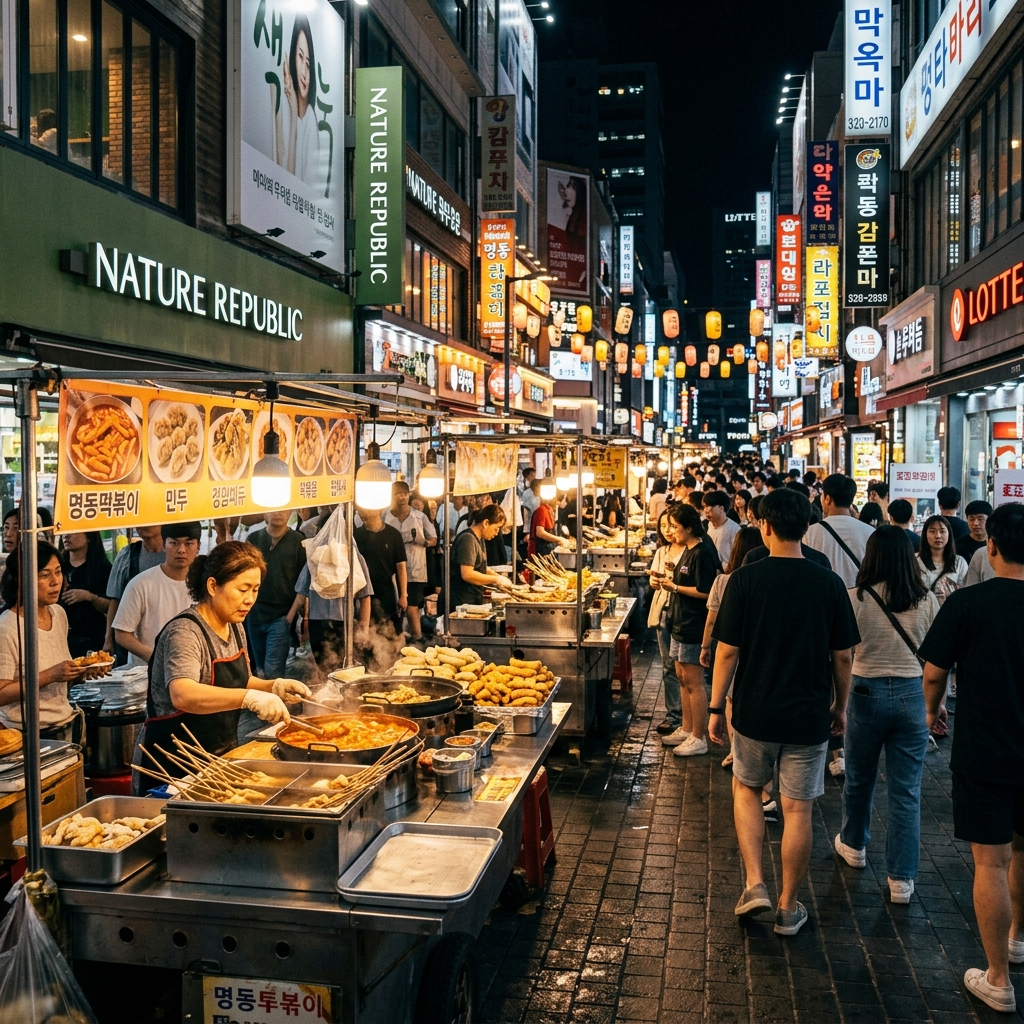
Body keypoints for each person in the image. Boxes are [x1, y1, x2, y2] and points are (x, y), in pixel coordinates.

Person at [709, 488, 859, 936]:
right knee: (798, 810)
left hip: (755, 711)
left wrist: (717, 707)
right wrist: (840, 707)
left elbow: (726, 652)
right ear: (806, 526)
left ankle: (754, 883)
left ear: (765, 526)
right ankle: (789, 907)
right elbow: (844, 657)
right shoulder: (827, 582)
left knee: (747, 791)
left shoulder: (746, 579)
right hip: (809, 715)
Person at [919, 503, 1024, 1014]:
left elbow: (935, 671)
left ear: (992, 547)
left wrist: (932, 713)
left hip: (984, 748)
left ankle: (999, 979)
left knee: (991, 859)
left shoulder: (969, 603)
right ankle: (1018, 938)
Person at [136, 542, 310, 792]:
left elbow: (240, 680)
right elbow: (182, 694)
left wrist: (273, 687)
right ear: (212, 586)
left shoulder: (234, 624)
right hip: (173, 771)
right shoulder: (185, 632)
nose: (249, 599)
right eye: (242, 589)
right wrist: (249, 698)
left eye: (255, 590)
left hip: (217, 760)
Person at [834, 526, 939, 904]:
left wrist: (838, 703)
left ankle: (855, 845)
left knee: (859, 779)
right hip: (913, 694)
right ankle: (901, 880)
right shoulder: (925, 599)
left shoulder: (855, 598)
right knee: (906, 791)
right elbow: (936, 658)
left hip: (865, 693)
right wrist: (936, 703)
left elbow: (844, 654)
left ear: (871, 555)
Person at [0, 541, 84, 738]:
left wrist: (80, 672)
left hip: (65, 725)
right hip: (25, 735)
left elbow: (60, 677)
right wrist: (50, 675)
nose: (56, 582)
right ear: (22, 579)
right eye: (45, 575)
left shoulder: (58, 613)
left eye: (58, 572)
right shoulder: (7, 627)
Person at [700, 527, 767, 772]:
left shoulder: (724, 580)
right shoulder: (764, 581)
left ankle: (735, 751)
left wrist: (706, 646)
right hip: (757, 652)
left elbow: (711, 619)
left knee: (730, 699)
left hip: (729, 650)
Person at [663, 504, 720, 757]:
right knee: (681, 676)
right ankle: (686, 728)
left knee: (694, 681)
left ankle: (699, 736)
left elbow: (707, 591)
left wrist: (674, 587)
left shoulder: (702, 552)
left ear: (688, 527)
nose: (671, 531)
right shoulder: (687, 550)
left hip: (694, 624)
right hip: (679, 622)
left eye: (675, 526)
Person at [112, 523, 202, 667]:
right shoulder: (140, 584)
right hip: (146, 676)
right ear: (164, 545)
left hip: (193, 669)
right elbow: (121, 633)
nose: (181, 550)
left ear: (198, 547)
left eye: (189, 543)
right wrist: (155, 658)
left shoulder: (204, 585)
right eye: (174, 543)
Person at [243, 511, 307, 681]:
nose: (278, 513)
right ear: (265, 513)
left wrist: (290, 616)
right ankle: (261, 706)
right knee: (258, 669)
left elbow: (304, 582)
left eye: (284, 509)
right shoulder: (254, 539)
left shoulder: (298, 540)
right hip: (254, 614)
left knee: (273, 670)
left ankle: (275, 705)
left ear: (291, 513)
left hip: (281, 617)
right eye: (273, 508)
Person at [296, 550, 372, 673]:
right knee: (324, 667)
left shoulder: (354, 557)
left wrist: (364, 629)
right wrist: (300, 622)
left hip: (344, 623)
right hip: (317, 621)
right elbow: (303, 592)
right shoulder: (315, 556)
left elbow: (365, 595)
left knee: (346, 669)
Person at [384, 482, 437, 642]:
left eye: (405, 493)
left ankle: (417, 640)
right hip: (391, 571)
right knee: (393, 608)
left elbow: (434, 539)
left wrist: (425, 542)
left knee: (412, 607)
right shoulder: (385, 516)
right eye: (398, 494)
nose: (402, 497)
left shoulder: (420, 516)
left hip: (415, 570)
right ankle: (395, 642)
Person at [105, 525, 166, 663]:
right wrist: (108, 639)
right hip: (132, 644)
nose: (144, 525)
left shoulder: (175, 555)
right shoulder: (128, 555)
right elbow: (115, 601)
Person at [648, 511, 685, 739]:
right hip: (663, 612)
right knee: (668, 666)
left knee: (685, 668)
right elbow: (654, 581)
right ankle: (674, 714)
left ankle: (688, 716)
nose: (668, 531)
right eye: (663, 526)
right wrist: (654, 580)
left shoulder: (692, 551)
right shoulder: (662, 552)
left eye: (672, 525)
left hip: (683, 614)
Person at [804, 475, 876, 588]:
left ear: (827, 499)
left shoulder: (810, 533)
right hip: (859, 600)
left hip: (825, 599)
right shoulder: (871, 532)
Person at [273, 14, 320, 186]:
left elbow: (301, 188)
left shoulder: (310, 120)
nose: (304, 72)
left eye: (308, 63)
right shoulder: (283, 104)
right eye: (300, 57)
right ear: (292, 56)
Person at [354, 506, 408, 635]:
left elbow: (401, 567)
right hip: (362, 591)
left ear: (379, 510)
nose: (365, 513)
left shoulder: (393, 534)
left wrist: (403, 595)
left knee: (390, 630)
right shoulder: (356, 535)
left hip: (386, 590)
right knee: (365, 631)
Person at [59, 532, 112, 658]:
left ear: (89, 537)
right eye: (64, 532)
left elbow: (113, 606)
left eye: (72, 531)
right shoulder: (58, 567)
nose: (66, 536)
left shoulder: (102, 568)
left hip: (92, 639)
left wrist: (90, 597)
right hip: (61, 637)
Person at [449, 505, 509, 608]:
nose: (497, 533)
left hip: (472, 600)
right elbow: (467, 574)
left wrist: (496, 575)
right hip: (461, 602)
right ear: (486, 523)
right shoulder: (468, 539)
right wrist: (495, 579)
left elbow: (479, 566)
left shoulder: (479, 539)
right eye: (497, 528)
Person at [917, 514, 969, 603]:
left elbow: (966, 593)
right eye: (932, 531)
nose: (938, 536)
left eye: (942, 531)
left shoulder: (959, 562)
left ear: (949, 534)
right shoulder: (915, 560)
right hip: (923, 614)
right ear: (925, 534)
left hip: (951, 613)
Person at [703, 491, 740, 565]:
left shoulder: (734, 529)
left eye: (709, 507)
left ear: (721, 508)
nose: (706, 510)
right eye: (704, 507)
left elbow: (737, 556)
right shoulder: (709, 525)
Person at [529, 490, 561, 557]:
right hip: (539, 552)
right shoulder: (542, 510)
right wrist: (559, 539)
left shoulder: (549, 510)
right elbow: (540, 532)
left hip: (547, 550)